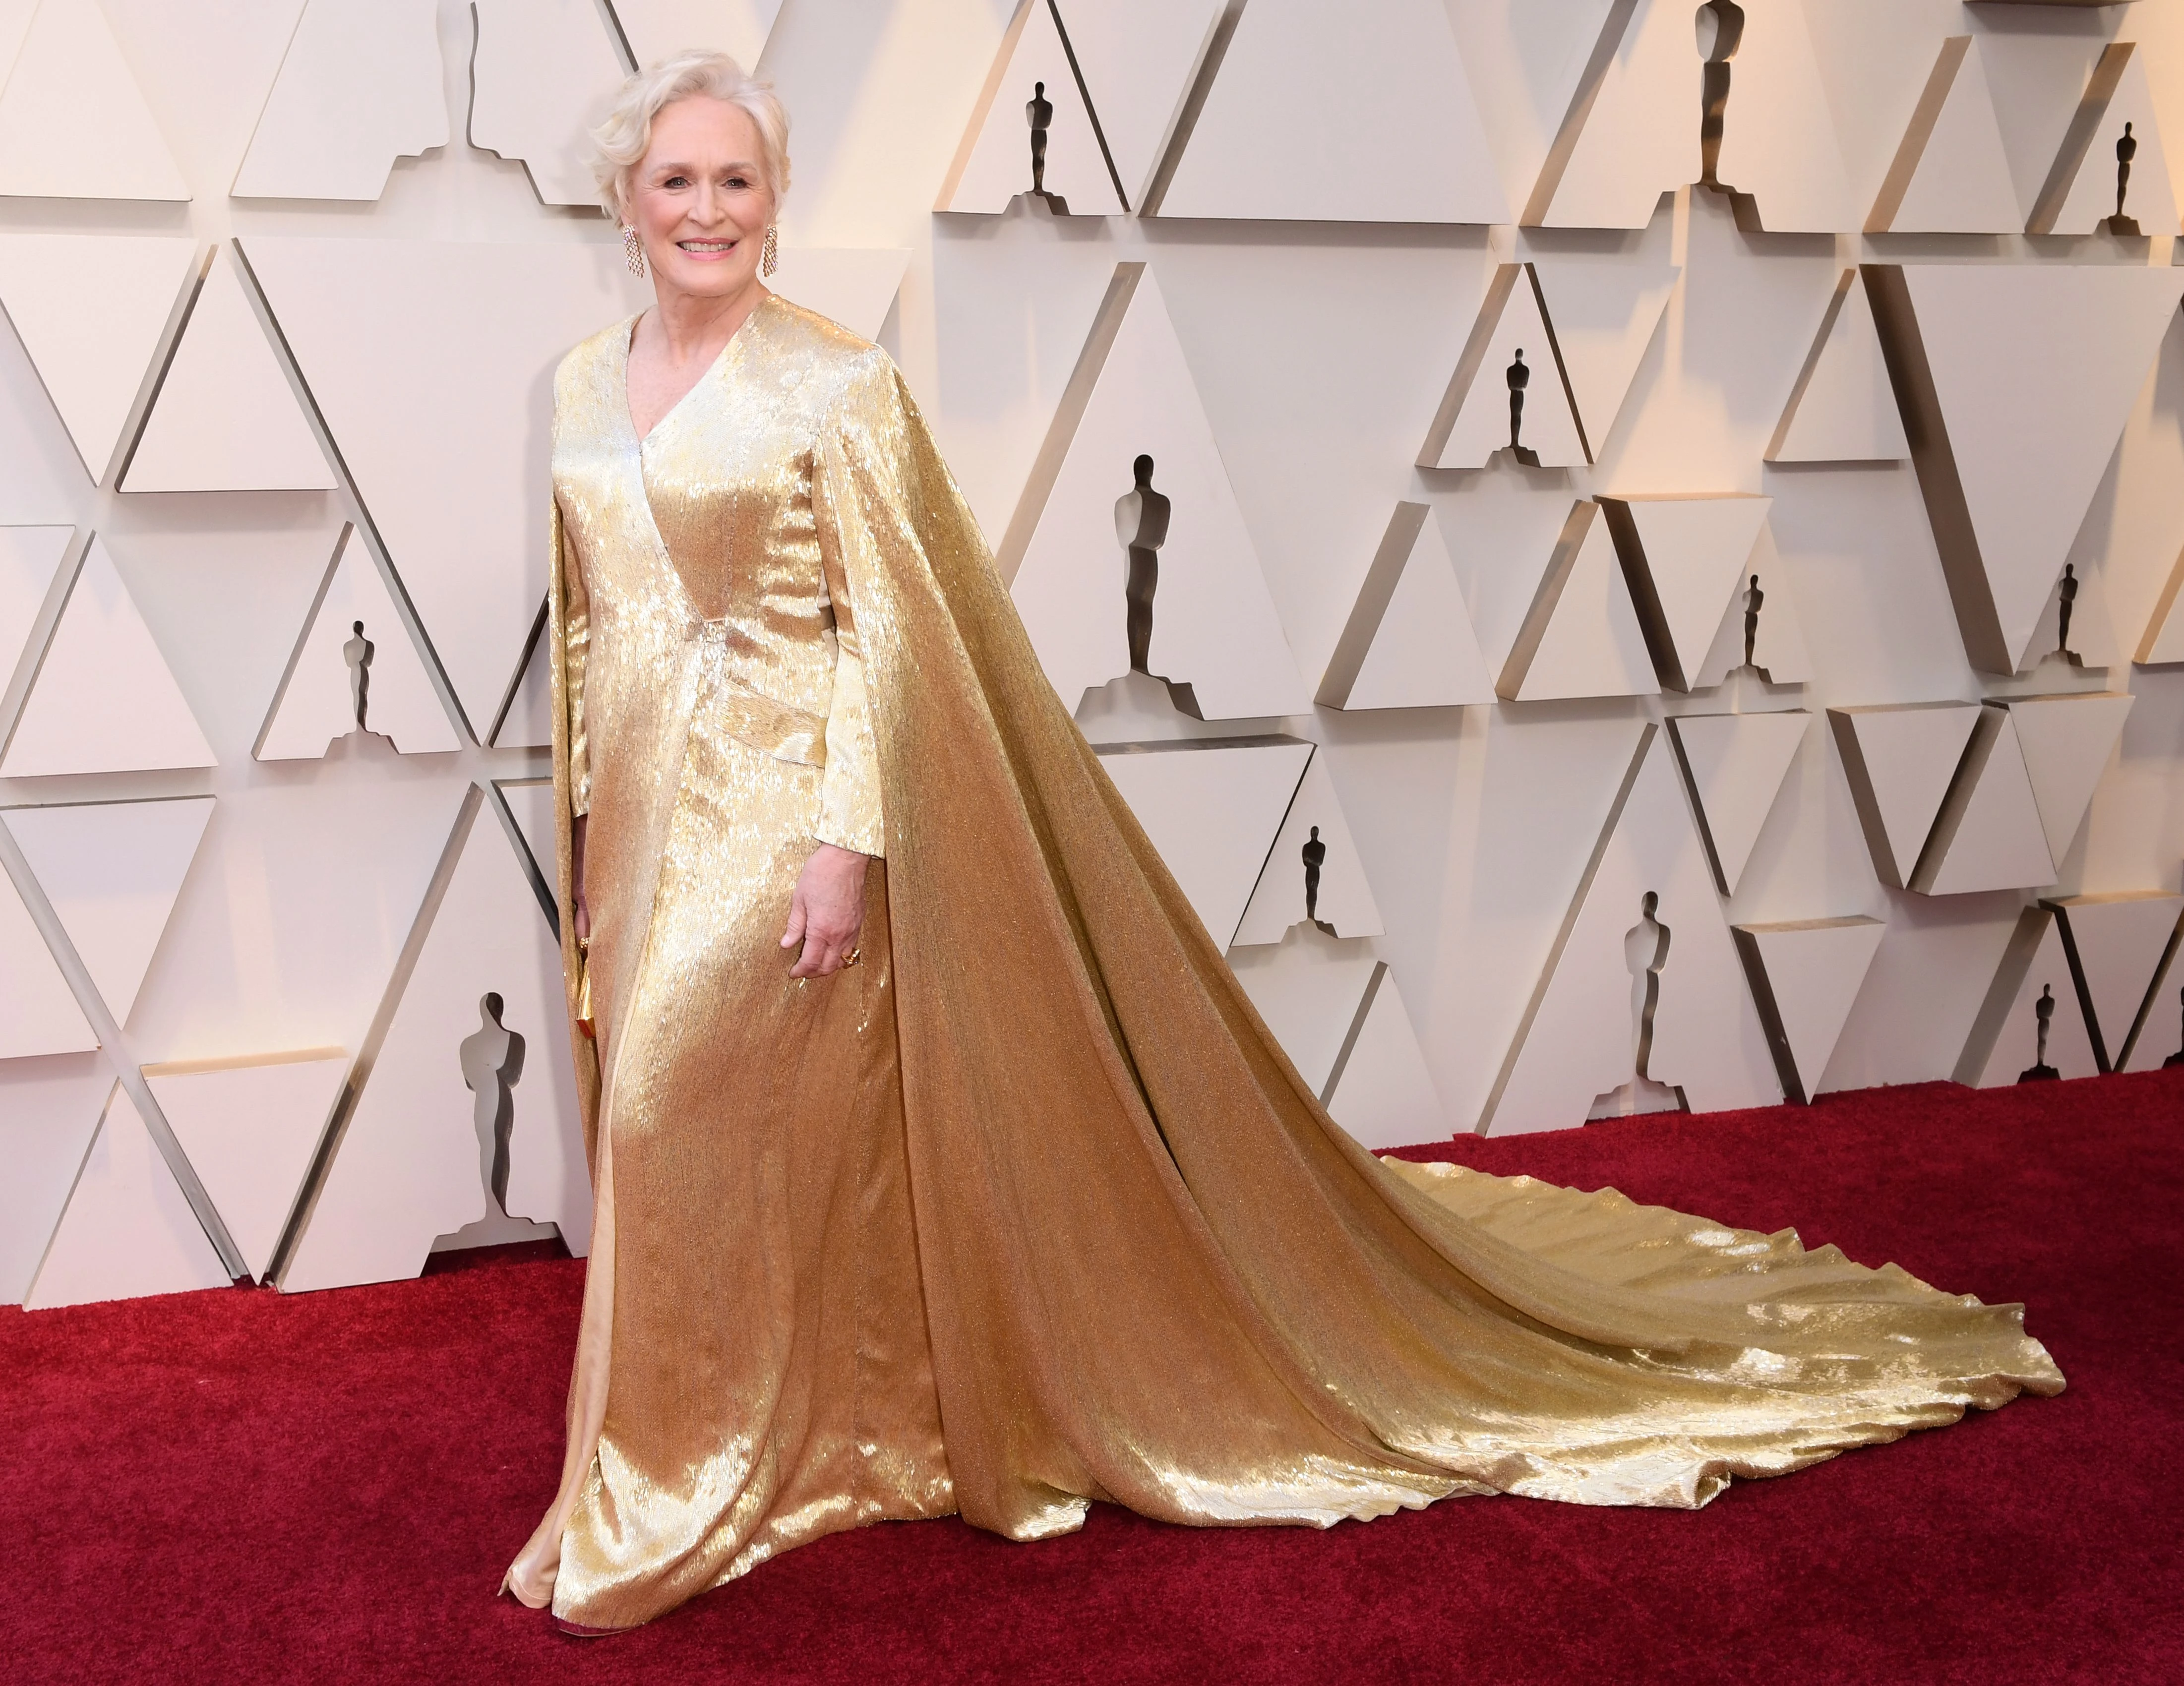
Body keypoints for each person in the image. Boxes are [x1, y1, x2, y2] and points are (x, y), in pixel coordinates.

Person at [503, 52, 2063, 1634]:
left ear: (774, 203)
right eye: (677, 180)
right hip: (635, 819)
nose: (707, 209)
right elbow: (585, 630)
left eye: (737, 180)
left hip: (783, 813)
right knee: (722, 1143)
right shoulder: (577, 381)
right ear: (627, 201)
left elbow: (894, 642)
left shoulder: (834, 382)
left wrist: (848, 838)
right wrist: (580, 825)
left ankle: (667, 1481)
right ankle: (816, 1421)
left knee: (668, 1115)